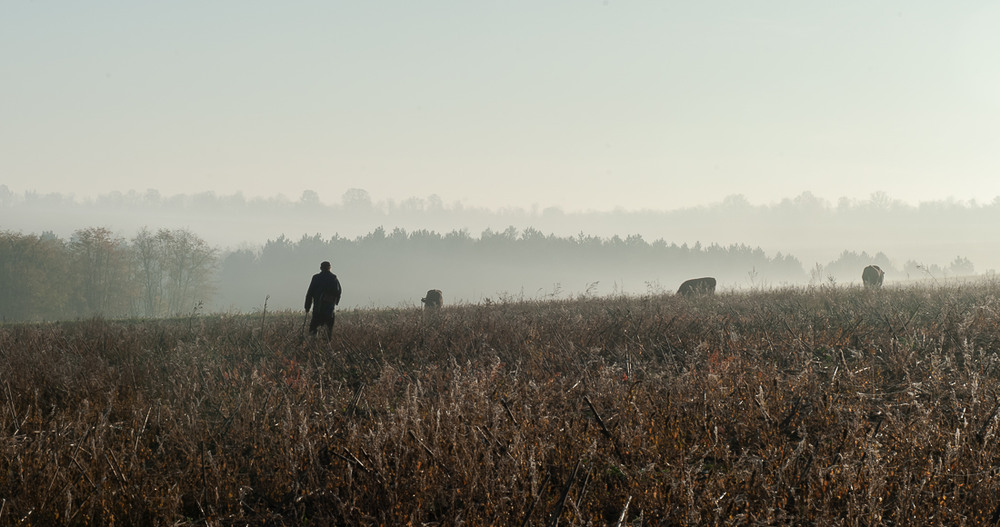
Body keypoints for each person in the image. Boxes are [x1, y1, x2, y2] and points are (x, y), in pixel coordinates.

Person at [304, 261, 342, 338]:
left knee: (313, 330)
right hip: (329, 310)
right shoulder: (333, 278)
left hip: (317, 309)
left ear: (321, 268)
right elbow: (338, 292)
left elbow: (310, 293)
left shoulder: (316, 278)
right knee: (327, 331)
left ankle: (312, 346)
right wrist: (335, 302)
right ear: (330, 268)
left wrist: (307, 306)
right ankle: (326, 346)